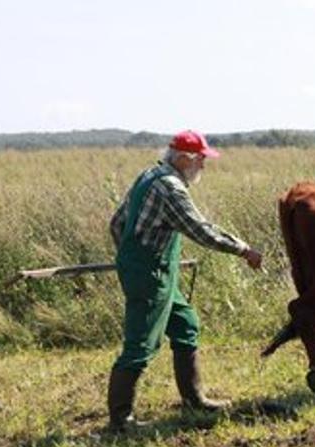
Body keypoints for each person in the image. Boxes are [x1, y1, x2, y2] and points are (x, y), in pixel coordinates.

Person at [107, 130, 262, 431]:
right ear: (183, 158)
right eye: (201, 160)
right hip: (151, 272)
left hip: (150, 267)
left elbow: (117, 223)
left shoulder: (149, 175)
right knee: (141, 344)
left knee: (185, 324)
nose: (203, 166)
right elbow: (199, 229)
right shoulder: (171, 188)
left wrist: (130, 255)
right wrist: (243, 249)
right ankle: (120, 419)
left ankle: (194, 399)